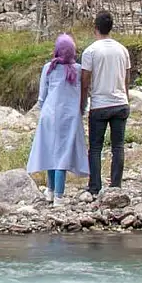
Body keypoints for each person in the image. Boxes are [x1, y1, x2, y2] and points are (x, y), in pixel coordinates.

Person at [27, 34, 89, 202]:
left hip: (49, 114)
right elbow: (83, 93)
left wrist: (43, 110)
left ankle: (50, 190)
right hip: (69, 117)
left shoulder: (49, 67)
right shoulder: (78, 69)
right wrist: (82, 110)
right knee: (62, 154)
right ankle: (59, 197)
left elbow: (42, 96)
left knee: (50, 151)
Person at [81, 11, 131, 197]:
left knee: (95, 147)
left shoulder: (91, 51)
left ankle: (95, 186)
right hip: (120, 103)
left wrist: (82, 103)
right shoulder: (122, 50)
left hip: (100, 104)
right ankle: (116, 185)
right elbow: (126, 78)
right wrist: (126, 98)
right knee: (118, 146)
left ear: (96, 29)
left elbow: (85, 81)